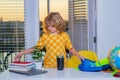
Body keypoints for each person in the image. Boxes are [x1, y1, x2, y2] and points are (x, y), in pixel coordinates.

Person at [14, 12, 84, 68]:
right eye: (48, 25)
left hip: (62, 66)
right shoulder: (45, 36)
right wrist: (22, 53)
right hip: (48, 66)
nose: (50, 28)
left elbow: (70, 48)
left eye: (53, 26)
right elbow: (36, 48)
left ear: (59, 24)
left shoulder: (64, 35)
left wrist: (78, 55)